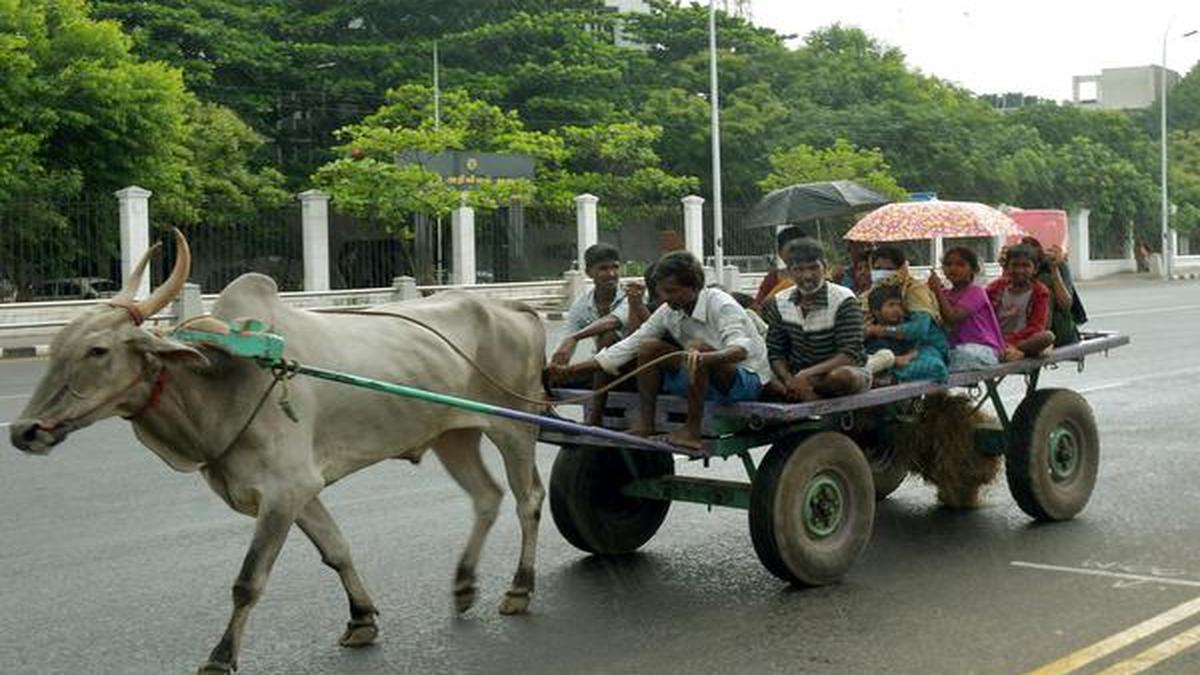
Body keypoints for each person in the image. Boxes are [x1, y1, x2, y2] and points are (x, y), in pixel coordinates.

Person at [547, 251, 771, 450]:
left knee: (696, 349)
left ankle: (691, 432)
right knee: (648, 347)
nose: (664, 298)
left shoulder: (721, 304)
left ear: (693, 287)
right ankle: (646, 425)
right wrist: (570, 371)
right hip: (699, 379)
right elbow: (629, 345)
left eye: (671, 291)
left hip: (743, 382)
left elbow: (741, 349)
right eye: (662, 291)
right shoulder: (669, 310)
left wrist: (703, 357)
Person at [550, 243, 650, 424]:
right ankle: (545, 414)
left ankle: (595, 416)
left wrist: (575, 338)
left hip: (636, 370)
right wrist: (559, 360)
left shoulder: (632, 295)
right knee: (549, 372)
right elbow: (565, 339)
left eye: (615, 267)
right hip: (603, 372)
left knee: (608, 338)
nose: (611, 273)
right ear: (589, 273)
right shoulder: (582, 305)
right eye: (604, 268)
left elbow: (614, 320)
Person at [761, 237, 871, 402]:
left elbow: (850, 354)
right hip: (797, 375)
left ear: (825, 267)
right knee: (759, 376)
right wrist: (789, 379)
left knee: (842, 377)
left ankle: (808, 396)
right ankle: (800, 394)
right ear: (790, 272)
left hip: (837, 371)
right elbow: (776, 352)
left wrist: (807, 375)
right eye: (799, 269)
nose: (807, 276)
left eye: (814, 268)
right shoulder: (779, 301)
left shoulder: (843, 299)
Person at [927, 246, 1006, 371]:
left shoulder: (976, 292)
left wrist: (937, 291)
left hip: (981, 348)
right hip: (955, 347)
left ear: (973, 269)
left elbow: (953, 317)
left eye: (960, 264)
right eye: (948, 264)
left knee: (961, 355)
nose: (953, 268)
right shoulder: (946, 294)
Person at [864, 284, 948, 383]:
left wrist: (909, 356)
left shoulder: (903, 328)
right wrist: (897, 360)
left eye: (899, 305)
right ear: (876, 312)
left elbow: (914, 349)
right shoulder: (873, 337)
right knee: (935, 367)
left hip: (900, 370)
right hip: (881, 373)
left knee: (936, 366)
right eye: (891, 305)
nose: (897, 309)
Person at [986, 244, 1055, 361]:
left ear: (1035, 269)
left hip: (1022, 340)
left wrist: (1012, 342)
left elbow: (1036, 327)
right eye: (1015, 265)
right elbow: (982, 311)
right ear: (1007, 267)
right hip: (994, 338)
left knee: (1047, 337)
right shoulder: (997, 286)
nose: (1019, 270)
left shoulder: (1040, 292)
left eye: (1025, 266)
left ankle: (1014, 352)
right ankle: (1011, 353)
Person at [1020, 236, 1083, 346]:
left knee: (1044, 282)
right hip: (1021, 330)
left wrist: (1054, 268)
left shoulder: (1056, 266)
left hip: (1056, 330)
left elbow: (1065, 304)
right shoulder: (1014, 269)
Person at [861, 245, 942, 325]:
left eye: (889, 269)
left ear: (901, 269)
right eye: (877, 269)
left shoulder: (916, 290)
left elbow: (921, 325)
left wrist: (882, 331)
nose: (882, 273)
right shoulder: (871, 292)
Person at [752, 226, 805, 311]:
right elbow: (759, 306)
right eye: (790, 251)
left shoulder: (815, 276)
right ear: (780, 253)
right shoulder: (772, 278)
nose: (795, 255)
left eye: (799, 250)